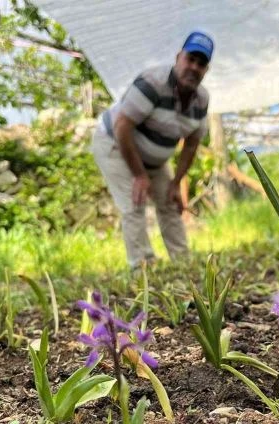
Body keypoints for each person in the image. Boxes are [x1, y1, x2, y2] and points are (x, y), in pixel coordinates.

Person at [91, 31, 213, 268]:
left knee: (169, 201)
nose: (194, 67)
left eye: (201, 63)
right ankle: (143, 266)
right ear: (179, 57)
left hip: (154, 159)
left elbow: (191, 145)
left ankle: (182, 261)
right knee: (134, 201)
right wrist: (139, 175)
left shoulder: (201, 100)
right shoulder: (153, 84)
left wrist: (177, 182)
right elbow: (123, 127)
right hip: (115, 143)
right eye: (191, 59)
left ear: (206, 70)